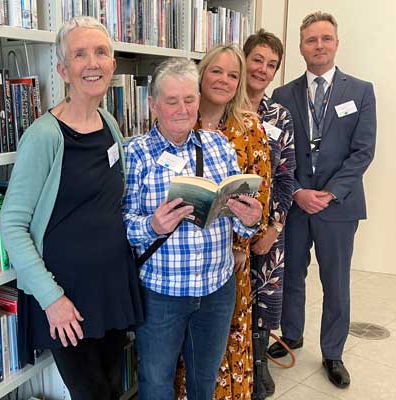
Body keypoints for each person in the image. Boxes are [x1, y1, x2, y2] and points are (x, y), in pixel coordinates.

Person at [0, 16, 144, 400]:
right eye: (80, 55)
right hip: (66, 298)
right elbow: (12, 225)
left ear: (113, 64)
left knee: (114, 386)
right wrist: (53, 299)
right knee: (93, 394)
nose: (92, 63)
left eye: (101, 52)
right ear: (64, 70)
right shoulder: (43, 135)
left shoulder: (109, 123)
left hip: (111, 287)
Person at [123, 57, 264, 400]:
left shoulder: (218, 146)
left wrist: (250, 221)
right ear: (153, 104)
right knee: (156, 382)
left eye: (189, 99)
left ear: (199, 101)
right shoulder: (135, 154)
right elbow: (121, 225)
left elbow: (238, 224)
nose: (182, 109)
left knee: (204, 379)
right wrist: (153, 225)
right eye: (171, 101)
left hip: (217, 287)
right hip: (162, 292)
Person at [267, 11, 377, 389]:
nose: (318, 45)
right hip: (297, 205)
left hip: (339, 207)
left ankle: (333, 352)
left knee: (336, 280)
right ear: (301, 47)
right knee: (291, 275)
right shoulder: (282, 95)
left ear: (336, 43)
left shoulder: (360, 91)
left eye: (325, 38)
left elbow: (363, 152)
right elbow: (278, 153)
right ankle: (293, 334)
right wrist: (297, 191)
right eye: (311, 40)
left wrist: (329, 193)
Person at [174, 45, 272, 400]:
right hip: (181, 260)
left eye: (233, 75)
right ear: (201, 74)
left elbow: (261, 196)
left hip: (230, 262)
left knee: (225, 345)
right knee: (186, 349)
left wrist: (240, 246)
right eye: (217, 71)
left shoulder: (251, 128)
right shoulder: (181, 117)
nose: (224, 80)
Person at [243, 30, 297, 399]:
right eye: (258, 60)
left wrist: (274, 227)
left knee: (265, 298)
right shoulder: (220, 103)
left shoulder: (280, 115)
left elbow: (286, 177)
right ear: (243, 59)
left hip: (266, 229)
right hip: (225, 228)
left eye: (271, 64)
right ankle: (235, 364)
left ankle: (259, 363)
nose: (263, 69)